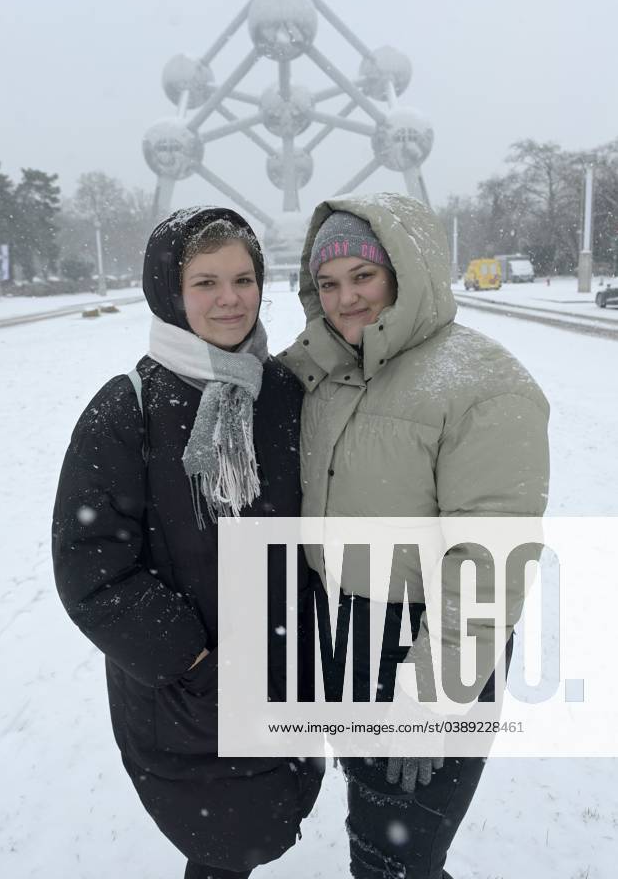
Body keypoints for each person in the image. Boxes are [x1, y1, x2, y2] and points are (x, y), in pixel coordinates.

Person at [280, 194, 550, 879]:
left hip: (429, 641)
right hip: (344, 634)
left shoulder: (481, 382)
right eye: (328, 282)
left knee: (398, 858)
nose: (346, 298)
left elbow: (490, 557)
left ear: (406, 270)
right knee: (373, 837)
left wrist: (429, 694)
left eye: (363, 276)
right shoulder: (324, 372)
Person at [52, 206, 323, 879]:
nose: (229, 299)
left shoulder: (285, 392)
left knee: (264, 820)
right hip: (189, 696)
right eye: (205, 283)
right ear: (169, 292)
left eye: (242, 278)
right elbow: (92, 567)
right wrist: (199, 663)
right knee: (221, 847)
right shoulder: (128, 409)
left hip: (286, 672)